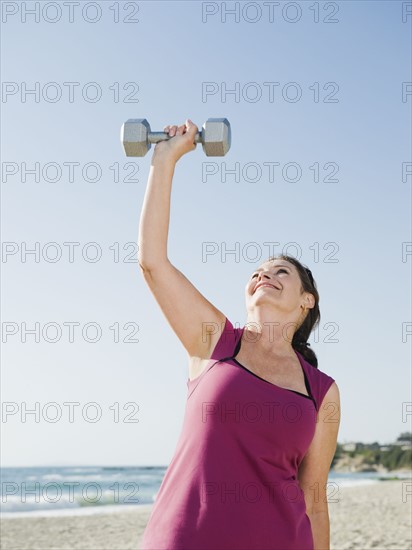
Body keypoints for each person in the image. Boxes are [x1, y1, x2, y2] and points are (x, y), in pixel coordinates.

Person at [138, 119, 341, 550]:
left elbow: (314, 499)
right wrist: (165, 161)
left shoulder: (321, 390)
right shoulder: (215, 342)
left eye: (280, 271)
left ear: (307, 300)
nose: (264, 274)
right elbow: (153, 261)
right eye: (257, 272)